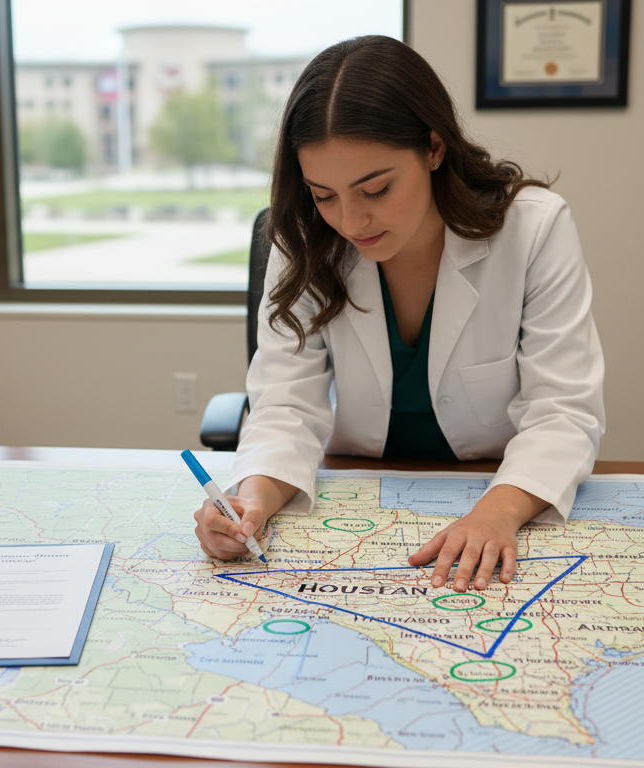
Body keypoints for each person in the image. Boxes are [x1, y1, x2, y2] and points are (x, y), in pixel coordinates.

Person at [193, 35, 604, 594]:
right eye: (324, 195)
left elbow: (563, 410)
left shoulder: (533, 229)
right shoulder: (304, 240)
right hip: (354, 491)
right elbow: (287, 404)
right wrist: (251, 503)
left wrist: (497, 513)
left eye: (376, 189)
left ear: (434, 148)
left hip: (502, 487)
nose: (351, 221)